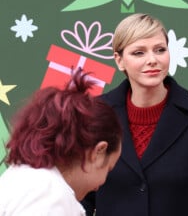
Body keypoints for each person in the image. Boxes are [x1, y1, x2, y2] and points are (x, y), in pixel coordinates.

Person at [82, 13, 188, 216]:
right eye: (139, 53)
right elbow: (80, 196)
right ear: (119, 61)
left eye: (160, 50)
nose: (152, 60)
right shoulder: (95, 116)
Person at [0, 68, 122, 216]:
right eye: (108, 169)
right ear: (99, 151)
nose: (101, 184)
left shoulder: (23, 179)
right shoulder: (49, 196)